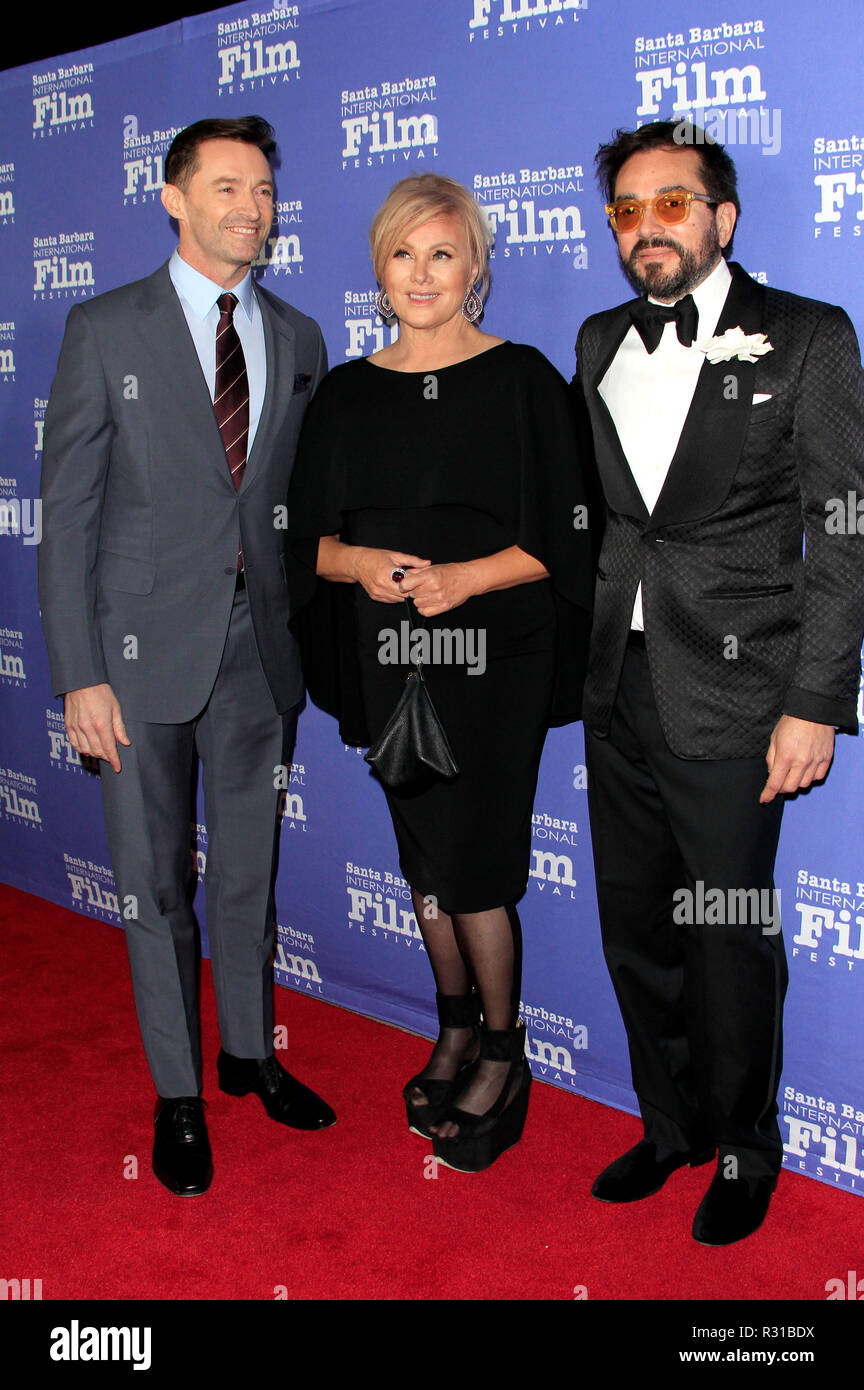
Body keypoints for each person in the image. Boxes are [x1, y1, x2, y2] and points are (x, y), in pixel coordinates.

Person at [573, 120, 864, 1244]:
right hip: (620, 687)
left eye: (672, 204)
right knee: (636, 923)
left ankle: (747, 1146)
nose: (648, 227)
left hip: (744, 696)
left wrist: (814, 700)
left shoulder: (806, 337)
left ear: (721, 218)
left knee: (728, 934)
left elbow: (844, 535)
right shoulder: (599, 338)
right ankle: (670, 1121)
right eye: (628, 210)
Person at [38, 116, 336, 1198]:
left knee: (249, 872)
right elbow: (65, 513)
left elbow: (289, 508)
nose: (248, 206)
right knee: (154, 884)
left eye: (261, 187)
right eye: (224, 186)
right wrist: (78, 672)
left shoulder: (299, 336)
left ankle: (250, 1056)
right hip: (133, 659)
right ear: (173, 198)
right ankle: (178, 1093)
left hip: (259, 656)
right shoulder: (104, 326)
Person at [287, 173, 594, 1173]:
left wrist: (462, 577)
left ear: (477, 267)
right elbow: (307, 543)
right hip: (390, 661)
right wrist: (360, 564)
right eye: (402, 253)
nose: (422, 273)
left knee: (476, 865)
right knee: (425, 862)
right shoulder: (346, 392)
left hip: (494, 658)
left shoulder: (524, 381)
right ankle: (455, 1025)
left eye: (443, 252)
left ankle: (506, 1056)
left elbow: (566, 540)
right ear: (379, 270)